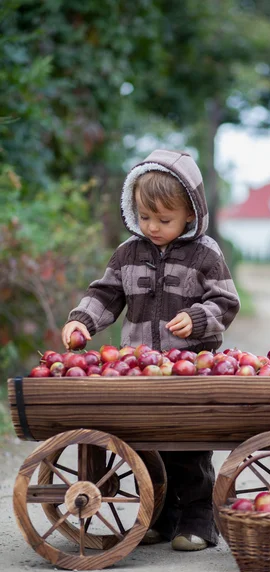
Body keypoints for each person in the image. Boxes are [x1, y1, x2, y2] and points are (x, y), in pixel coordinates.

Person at [62, 148, 240, 551]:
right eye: (144, 218)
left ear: (191, 213)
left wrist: (197, 318)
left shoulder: (205, 254)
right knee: (145, 445)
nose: (153, 227)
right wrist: (82, 319)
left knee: (186, 445)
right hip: (139, 369)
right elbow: (106, 294)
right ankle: (160, 515)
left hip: (190, 369)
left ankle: (198, 518)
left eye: (164, 220)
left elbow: (226, 303)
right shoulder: (129, 253)